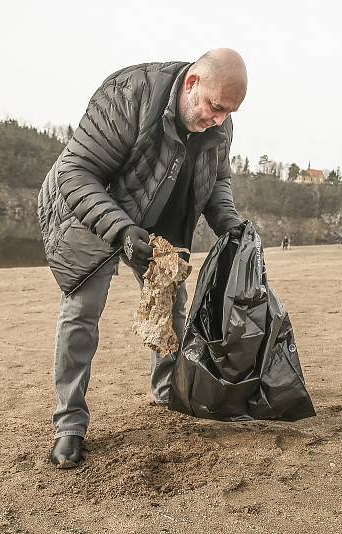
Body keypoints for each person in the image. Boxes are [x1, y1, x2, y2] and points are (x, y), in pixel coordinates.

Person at [36, 49, 247, 468]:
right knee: (82, 312)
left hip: (158, 226)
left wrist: (229, 222)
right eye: (215, 108)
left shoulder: (219, 123)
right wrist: (119, 229)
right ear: (192, 85)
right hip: (91, 215)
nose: (219, 119)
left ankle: (167, 392)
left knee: (172, 310)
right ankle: (69, 427)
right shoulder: (128, 95)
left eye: (229, 112)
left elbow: (217, 180)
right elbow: (75, 172)